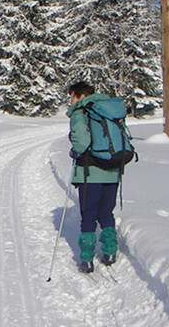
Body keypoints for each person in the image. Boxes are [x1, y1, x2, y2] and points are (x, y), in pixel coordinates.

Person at [67, 81, 120, 274]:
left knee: (88, 216)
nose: (70, 101)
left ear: (80, 95)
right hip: (113, 171)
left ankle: (87, 260)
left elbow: (81, 143)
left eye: (72, 96)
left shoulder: (81, 112)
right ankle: (110, 252)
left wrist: (75, 151)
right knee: (106, 212)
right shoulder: (109, 109)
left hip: (91, 173)